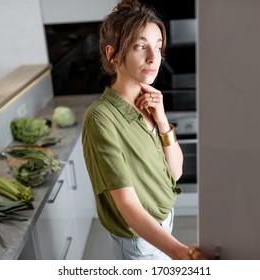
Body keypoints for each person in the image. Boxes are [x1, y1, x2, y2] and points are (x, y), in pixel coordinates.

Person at [82, 0, 206, 260]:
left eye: (158, 47)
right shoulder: (101, 118)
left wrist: (162, 121)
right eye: (141, 46)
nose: (154, 58)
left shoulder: (148, 102)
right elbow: (127, 205)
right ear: (113, 55)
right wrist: (178, 251)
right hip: (139, 241)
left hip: (163, 224)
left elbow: (176, 172)